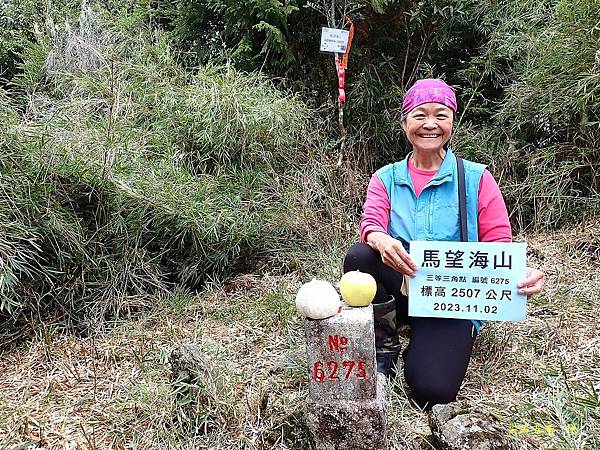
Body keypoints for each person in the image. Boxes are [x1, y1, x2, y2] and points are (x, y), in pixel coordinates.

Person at [343, 78, 544, 409]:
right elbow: (372, 223)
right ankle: (384, 338)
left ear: (452, 121)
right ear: (405, 121)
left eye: (441, 115)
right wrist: (380, 240)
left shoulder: (476, 177)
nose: (430, 124)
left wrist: (518, 275)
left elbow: (498, 245)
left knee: (432, 390)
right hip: (403, 287)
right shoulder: (386, 177)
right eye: (419, 115)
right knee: (361, 256)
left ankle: (431, 342)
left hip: (453, 298)